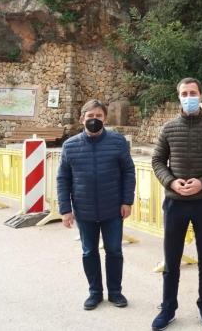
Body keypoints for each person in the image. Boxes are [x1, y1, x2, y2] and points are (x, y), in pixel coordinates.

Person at [151, 77, 202, 330]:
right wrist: (171, 182)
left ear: (201, 95)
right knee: (171, 259)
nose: (189, 97)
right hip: (174, 203)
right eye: (184, 93)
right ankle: (168, 308)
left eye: (193, 93)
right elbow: (157, 161)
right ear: (179, 97)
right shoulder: (168, 128)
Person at [57, 99, 136, 311]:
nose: (94, 120)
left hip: (113, 209)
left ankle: (115, 292)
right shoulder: (70, 146)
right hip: (84, 211)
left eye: (98, 116)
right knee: (89, 252)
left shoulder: (117, 142)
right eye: (90, 116)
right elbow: (63, 179)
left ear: (105, 119)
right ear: (82, 119)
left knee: (114, 251)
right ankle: (95, 293)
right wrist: (65, 210)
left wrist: (127, 201)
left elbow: (128, 172)